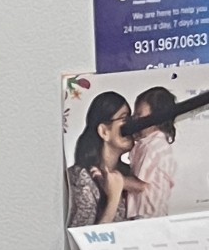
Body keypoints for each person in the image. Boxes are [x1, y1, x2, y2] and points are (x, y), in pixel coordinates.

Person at [66, 90, 141, 227]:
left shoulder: (130, 174)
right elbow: (83, 237)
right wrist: (113, 198)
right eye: (124, 118)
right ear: (104, 131)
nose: (131, 125)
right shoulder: (81, 178)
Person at [125, 87, 178, 218]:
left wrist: (113, 179)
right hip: (154, 214)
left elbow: (139, 185)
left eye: (139, 115)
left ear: (157, 119)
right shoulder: (152, 144)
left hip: (147, 216)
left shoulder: (152, 146)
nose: (135, 120)